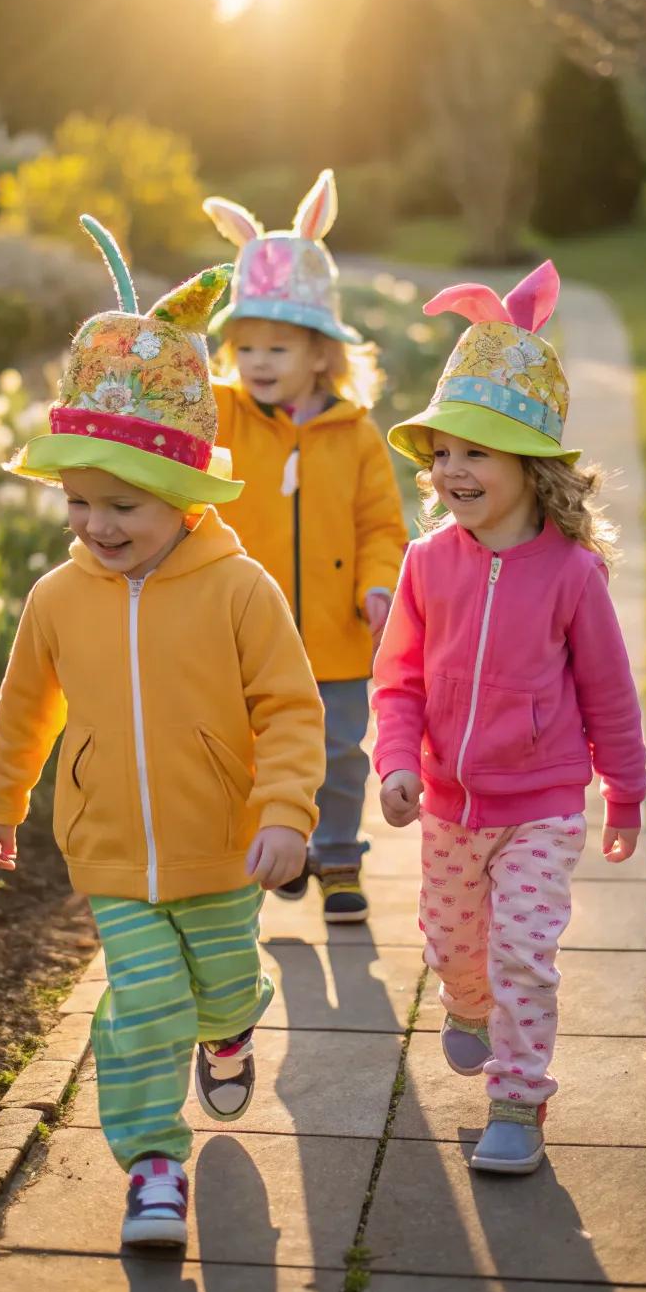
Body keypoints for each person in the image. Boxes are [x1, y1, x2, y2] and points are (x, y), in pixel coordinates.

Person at [0, 216, 325, 1247]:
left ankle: (231, 1031)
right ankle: (152, 1166)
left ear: (181, 496)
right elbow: (25, 706)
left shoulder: (239, 591)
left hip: (223, 848)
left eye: (121, 504)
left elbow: (290, 707)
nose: (96, 526)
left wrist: (284, 810)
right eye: (78, 504)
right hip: (112, 853)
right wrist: (4, 801)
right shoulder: (57, 598)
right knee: (141, 1004)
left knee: (218, 989)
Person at [372, 260, 646, 1175]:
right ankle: (464, 1002)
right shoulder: (426, 565)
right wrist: (397, 764)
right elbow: (398, 679)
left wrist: (627, 793)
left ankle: (520, 1104)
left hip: (543, 803)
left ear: (533, 467)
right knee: (457, 946)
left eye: (475, 451)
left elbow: (609, 691)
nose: (450, 468)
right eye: (442, 450)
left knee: (525, 951)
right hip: (448, 803)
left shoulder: (572, 575)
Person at [203, 169, 408, 923]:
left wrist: (378, 584)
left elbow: (381, 525)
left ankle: (339, 858)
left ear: (321, 353)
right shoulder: (223, 418)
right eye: (246, 344)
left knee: (343, 753)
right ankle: (281, 844)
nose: (257, 360)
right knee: (254, 748)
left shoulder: (352, 435)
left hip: (335, 633)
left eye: (277, 346)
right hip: (242, 632)